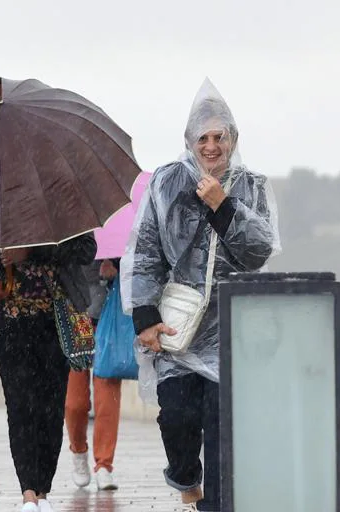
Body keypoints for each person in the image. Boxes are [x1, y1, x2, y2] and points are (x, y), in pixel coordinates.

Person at [124, 80, 280, 512]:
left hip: (231, 329)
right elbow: (146, 252)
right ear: (189, 141)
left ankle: (214, 505)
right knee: (177, 418)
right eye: (203, 138)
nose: (211, 146)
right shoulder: (167, 183)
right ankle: (186, 480)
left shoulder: (251, 186)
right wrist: (144, 316)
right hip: (177, 327)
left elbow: (259, 252)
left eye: (220, 137)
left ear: (233, 139)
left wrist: (223, 205)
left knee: (220, 427)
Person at [0, 233, 97, 512]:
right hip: (8, 323)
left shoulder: (62, 201)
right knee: (20, 405)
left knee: (50, 406)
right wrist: (0, 254)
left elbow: (85, 250)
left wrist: (31, 252)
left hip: (54, 321)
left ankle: (43, 488)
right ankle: (28, 491)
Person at [65, 259, 123, 491]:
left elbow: (141, 265)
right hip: (75, 316)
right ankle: (79, 451)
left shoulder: (119, 229)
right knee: (75, 403)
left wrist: (117, 267)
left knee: (107, 396)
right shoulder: (70, 229)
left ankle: (104, 465)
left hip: (109, 316)